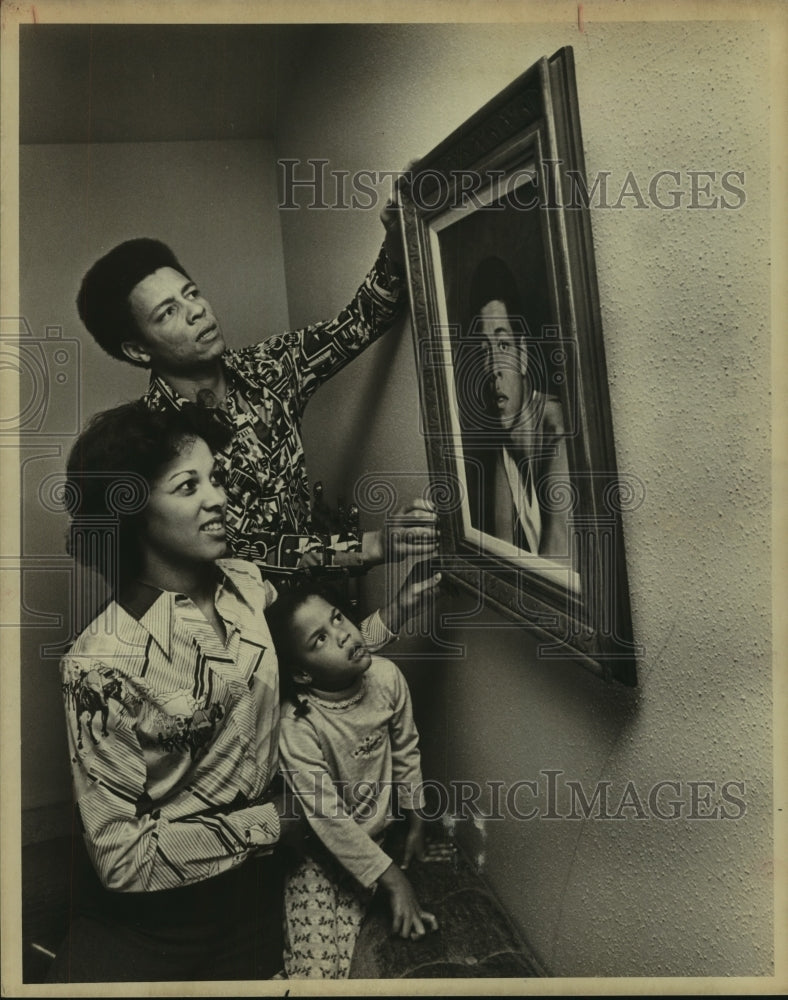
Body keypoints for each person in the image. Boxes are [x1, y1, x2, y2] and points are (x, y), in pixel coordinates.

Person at [48, 401, 440, 983]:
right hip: (152, 920)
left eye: (217, 478)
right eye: (188, 485)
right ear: (134, 512)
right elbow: (119, 856)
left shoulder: (247, 586)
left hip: (252, 899)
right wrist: (271, 825)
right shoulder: (98, 665)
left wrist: (398, 612)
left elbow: (321, 656)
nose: (218, 497)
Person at [75, 199, 436, 573]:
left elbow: (360, 322)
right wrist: (371, 545)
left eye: (192, 293)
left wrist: (397, 238)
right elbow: (237, 548)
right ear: (137, 349)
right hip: (235, 619)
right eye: (168, 312)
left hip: (320, 608)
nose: (196, 311)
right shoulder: (150, 441)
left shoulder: (271, 366)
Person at [267, 578, 438, 979]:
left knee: (344, 965)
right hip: (317, 856)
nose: (343, 634)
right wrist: (393, 880)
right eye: (320, 640)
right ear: (303, 675)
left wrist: (416, 818)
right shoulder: (297, 726)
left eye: (338, 617)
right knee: (314, 972)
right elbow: (327, 817)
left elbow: (406, 750)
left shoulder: (388, 678)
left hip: (375, 841)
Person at [462, 256, 571, 558]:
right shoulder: (504, 442)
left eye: (503, 345)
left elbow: (558, 566)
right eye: (483, 349)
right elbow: (502, 552)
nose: (493, 367)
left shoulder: (556, 430)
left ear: (523, 354)